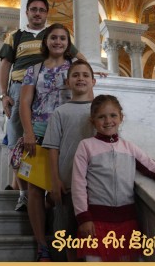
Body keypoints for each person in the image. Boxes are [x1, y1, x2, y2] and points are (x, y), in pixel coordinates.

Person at [72, 95, 155, 262]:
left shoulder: (129, 148)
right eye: (101, 116)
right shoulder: (86, 146)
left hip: (127, 222)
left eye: (113, 115)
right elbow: (78, 184)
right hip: (95, 222)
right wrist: (83, 218)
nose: (108, 120)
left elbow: (151, 165)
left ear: (121, 118)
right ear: (93, 121)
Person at [0, 0, 81, 211]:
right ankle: (24, 194)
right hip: (19, 89)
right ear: (26, 12)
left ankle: (47, 189)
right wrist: (3, 94)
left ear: (46, 13)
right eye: (33, 9)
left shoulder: (55, 35)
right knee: (18, 140)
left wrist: (88, 73)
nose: (37, 13)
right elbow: (5, 64)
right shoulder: (15, 36)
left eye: (41, 10)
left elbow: (78, 56)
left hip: (49, 90)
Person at [20, 23, 75, 261]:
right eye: (53, 37)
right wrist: (28, 132)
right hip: (39, 131)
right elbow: (25, 103)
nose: (58, 42)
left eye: (63, 38)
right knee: (35, 188)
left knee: (63, 187)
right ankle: (42, 245)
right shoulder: (34, 69)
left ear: (67, 43)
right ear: (46, 41)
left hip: (66, 131)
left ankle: (68, 243)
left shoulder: (75, 68)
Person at [42, 59, 97, 261]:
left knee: (94, 237)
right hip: (67, 184)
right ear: (67, 82)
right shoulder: (60, 112)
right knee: (70, 236)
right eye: (75, 75)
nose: (80, 78)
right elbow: (53, 148)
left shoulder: (101, 111)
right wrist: (54, 181)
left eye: (85, 75)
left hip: (96, 184)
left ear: (93, 81)